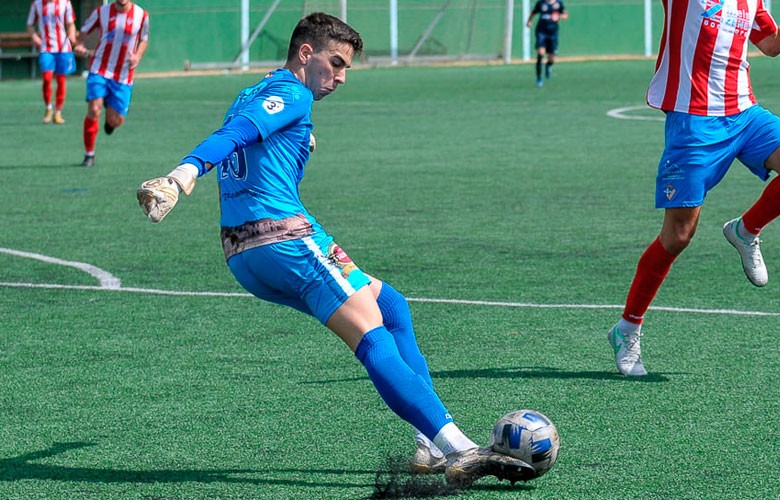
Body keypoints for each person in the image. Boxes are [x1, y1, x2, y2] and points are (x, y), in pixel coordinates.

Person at [136, 12, 536, 488]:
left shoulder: (255, 91)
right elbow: (235, 136)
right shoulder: (293, 92)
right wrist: (182, 177)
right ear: (306, 53)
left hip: (243, 255)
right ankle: (459, 448)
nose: (342, 77)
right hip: (284, 240)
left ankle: (427, 444)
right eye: (336, 63)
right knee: (372, 337)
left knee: (392, 307)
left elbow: (251, 137)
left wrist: (300, 142)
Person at [607, 0, 780, 376]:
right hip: (694, 123)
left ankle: (746, 230)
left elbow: (771, 42)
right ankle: (627, 328)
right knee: (678, 236)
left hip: (745, 114)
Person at [73, 0, 149, 168]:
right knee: (93, 109)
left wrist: (137, 56)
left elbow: (144, 39)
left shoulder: (141, 15)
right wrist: (79, 44)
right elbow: (84, 32)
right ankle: (89, 154)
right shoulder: (101, 12)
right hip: (99, 68)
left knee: (116, 121)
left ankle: (108, 107)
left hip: (123, 75)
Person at [26, 0, 77, 125]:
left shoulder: (65, 3)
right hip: (46, 48)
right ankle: (48, 108)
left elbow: (70, 24)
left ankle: (58, 112)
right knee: (47, 78)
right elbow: (30, 25)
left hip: (63, 48)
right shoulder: (37, 4)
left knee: (61, 80)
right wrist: (35, 37)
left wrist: (72, 35)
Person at [526, 0, 567, 88]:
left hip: (553, 33)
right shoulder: (541, 3)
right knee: (540, 54)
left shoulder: (558, 3)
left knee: (552, 58)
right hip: (541, 32)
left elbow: (565, 15)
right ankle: (539, 78)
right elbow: (533, 12)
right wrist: (529, 21)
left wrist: (560, 16)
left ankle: (548, 65)